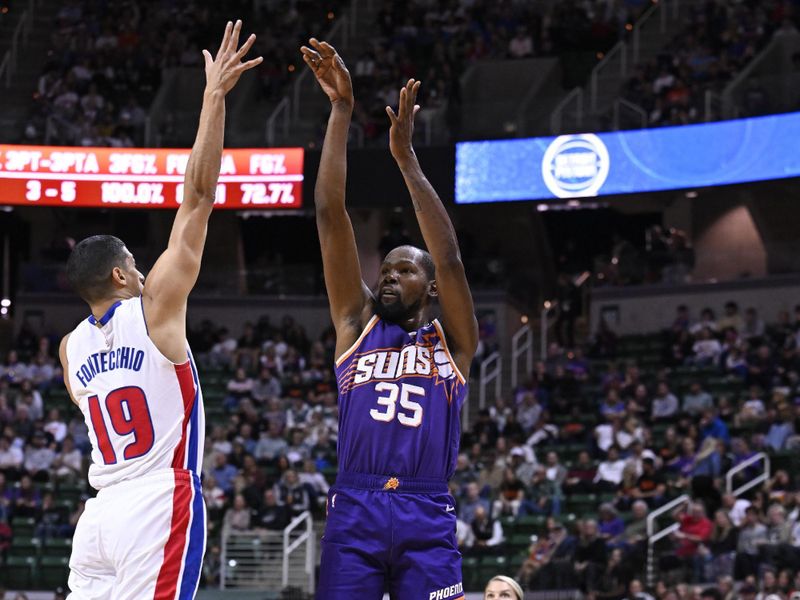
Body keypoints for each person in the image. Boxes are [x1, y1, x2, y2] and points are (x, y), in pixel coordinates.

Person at [58, 21, 261, 599]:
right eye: (136, 264)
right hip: (156, 499)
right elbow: (197, 197)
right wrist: (213, 98)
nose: (147, 271)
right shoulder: (153, 308)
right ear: (122, 275)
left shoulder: (70, 348)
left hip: (97, 516)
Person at [302, 38, 478, 598]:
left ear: (429, 288)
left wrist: (406, 161)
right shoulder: (357, 325)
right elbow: (331, 215)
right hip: (355, 506)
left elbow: (447, 255)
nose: (386, 276)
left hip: (427, 508)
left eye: (403, 271)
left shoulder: (454, 344)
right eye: (385, 268)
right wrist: (341, 112)